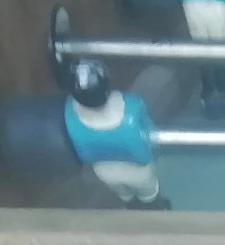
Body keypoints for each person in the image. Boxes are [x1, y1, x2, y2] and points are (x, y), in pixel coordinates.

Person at [61, 59, 162, 208]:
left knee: (124, 195)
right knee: (149, 194)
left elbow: (84, 155)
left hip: (104, 172)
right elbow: (143, 153)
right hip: (138, 171)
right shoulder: (131, 108)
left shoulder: (69, 115)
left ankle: (131, 206)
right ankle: (154, 208)